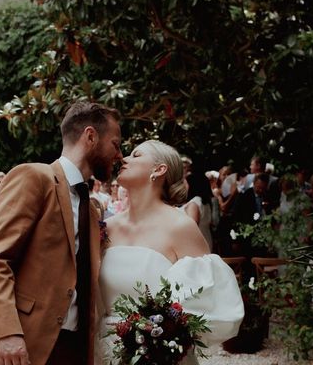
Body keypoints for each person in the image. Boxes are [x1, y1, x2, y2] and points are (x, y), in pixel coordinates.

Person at [0, 101, 123, 365]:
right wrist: (7, 332)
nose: (119, 155)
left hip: (71, 347)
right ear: (90, 136)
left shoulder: (92, 209)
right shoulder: (34, 177)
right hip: (19, 344)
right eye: (115, 143)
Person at [97, 141, 243, 364]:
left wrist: (165, 335)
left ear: (159, 169)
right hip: (105, 352)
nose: (124, 159)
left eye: (136, 155)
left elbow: (209, 303)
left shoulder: (180, 227)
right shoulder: (106, 228)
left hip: (160, 356)